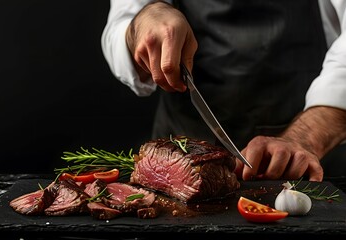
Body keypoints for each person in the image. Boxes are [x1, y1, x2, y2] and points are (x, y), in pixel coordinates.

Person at [101, 0, 346, 182]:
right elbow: (122, 25)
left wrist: (306, 137)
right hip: (185, 156)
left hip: (312, 157)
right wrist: (147, 18)